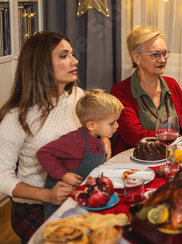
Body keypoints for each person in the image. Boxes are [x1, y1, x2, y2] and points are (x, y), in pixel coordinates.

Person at [0, 31, 86, 244]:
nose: (74, 60)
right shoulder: (17, 117)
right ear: (41, 65)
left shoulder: (77, 96)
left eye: (71, 54)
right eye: (64, 56)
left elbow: (92, 132)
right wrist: (48, 196)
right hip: (34, 206)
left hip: (74, 196)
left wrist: (104, 140)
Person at [111, 25, 182, 155]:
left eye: (164, 53)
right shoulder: (120, 91)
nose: (162, 60)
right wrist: (174, 135)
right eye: (155, 55)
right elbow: (135, 137)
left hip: (172, 157)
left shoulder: (172, 84)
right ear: (136, 58)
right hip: (137, 162)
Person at [36, 89, 123, 219]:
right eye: (112, 123)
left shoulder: (97, 138)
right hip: (61, 204)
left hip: (80, 198)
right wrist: (63, 175)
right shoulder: (75, 140)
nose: (117, 125)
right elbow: (43, 153)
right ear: (91, 125)